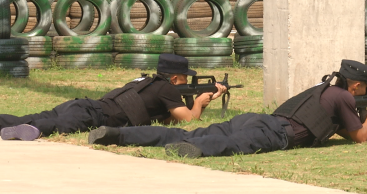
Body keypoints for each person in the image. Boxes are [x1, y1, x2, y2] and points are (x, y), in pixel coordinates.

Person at [88, 59, 367, 158]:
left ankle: (118, 135)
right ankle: (191, 150)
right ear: (358, 87)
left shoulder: (321, 90)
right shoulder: (344, 96)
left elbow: (344, 132)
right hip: (276, 131)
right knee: (234, 145)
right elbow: (359, 136)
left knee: (195, 130)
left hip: (260, 118)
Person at [0, 54, 226, 141]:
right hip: (95, 115)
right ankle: (33, 130)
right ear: (175, 79)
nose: (187, 82)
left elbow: (169, 119)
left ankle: (7, 122)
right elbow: (187, 120)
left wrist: (200, 102)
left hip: (85, 105)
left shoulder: (147, 82)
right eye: (186, 79)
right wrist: (198, 103)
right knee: (56, 124)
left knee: (37, 114)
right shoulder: (166, 89)